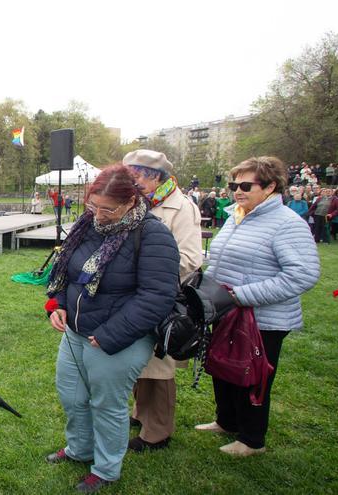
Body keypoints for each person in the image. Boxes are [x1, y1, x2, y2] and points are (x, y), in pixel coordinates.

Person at [45, 165, 179, 492]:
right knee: (73, 396)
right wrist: (58, 303)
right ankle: (80, 448)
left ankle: (106, 469)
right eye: (94, 206)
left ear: (131, 202)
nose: (99, 215)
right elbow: (67, 269)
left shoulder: (153, 234)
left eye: (108, 209)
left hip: (119, 339)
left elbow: (157, 296)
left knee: (107, 404)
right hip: (78, 331)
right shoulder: (87, 224)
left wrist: (109, 335)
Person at [196, 156, 319, 456]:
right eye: (233, 185)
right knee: (224, 368)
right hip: (227, 311)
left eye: (245, 185)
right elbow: (222, 261)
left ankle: (252, 439)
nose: (237, 191)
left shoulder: (286, 223)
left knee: (252, 377)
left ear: (270, 186)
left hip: (263, 319)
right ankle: (227, 421)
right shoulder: (237, 215)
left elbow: (303, 274)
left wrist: (242, 295)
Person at [124, 150, 203, 452]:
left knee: (159, 367)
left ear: (155, 176)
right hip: (136, 295)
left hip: (163, 298)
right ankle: (141, 413)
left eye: (136, 176)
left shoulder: (181, 207)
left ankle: (157, 432)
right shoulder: (139, 202)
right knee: (139, 360)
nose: (131, 182)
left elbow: (191, 258)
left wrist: (145, 270)